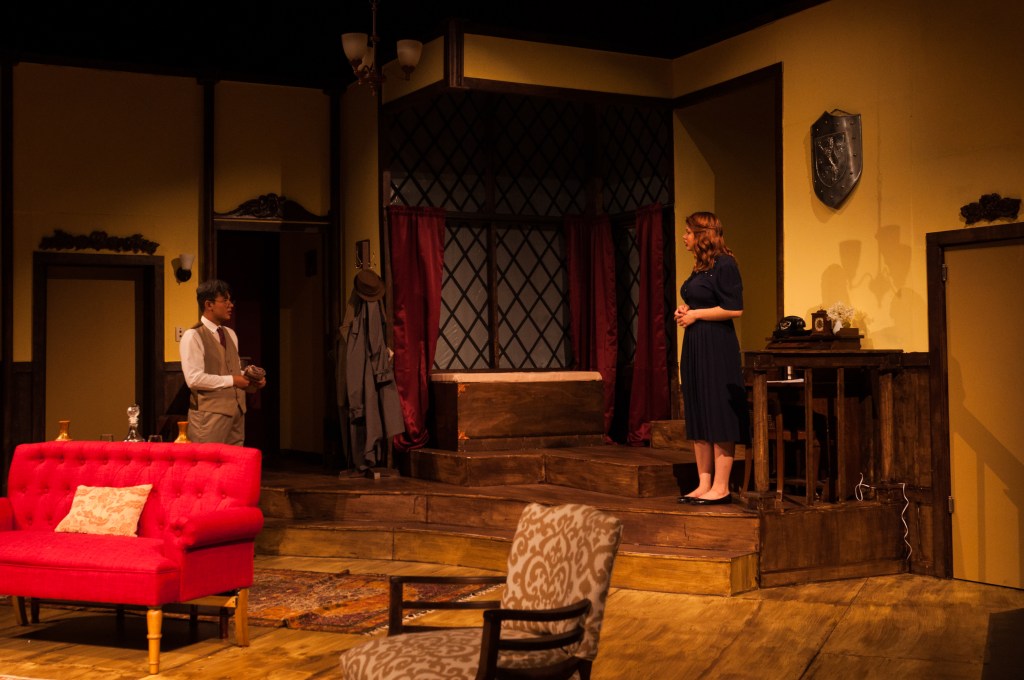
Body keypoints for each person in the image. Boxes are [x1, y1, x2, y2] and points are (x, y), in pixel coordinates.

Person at [674, 212, 750, 505]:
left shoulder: (725, 264)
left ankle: (721, 487)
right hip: (695, 345)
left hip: (717, 347)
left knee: (718, 411)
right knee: (698, 409)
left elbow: (735, 308)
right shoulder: (700, 267)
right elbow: (702, 301)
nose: (684, 237)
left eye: (688, 232)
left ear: (701, 235)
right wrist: (686, 309)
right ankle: (703, 482)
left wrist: (696, 314)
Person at [179, 279, 265, 445]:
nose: (230, 305)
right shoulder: (193, 335)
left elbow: (231, 370)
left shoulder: (230, 333)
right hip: (209, 416)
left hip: (237, 412)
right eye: (225, 300)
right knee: (207, 460)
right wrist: (234, 380)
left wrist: (251, 378)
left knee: (234, 460)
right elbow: (194, 379)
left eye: (230, 300)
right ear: (209, 304)